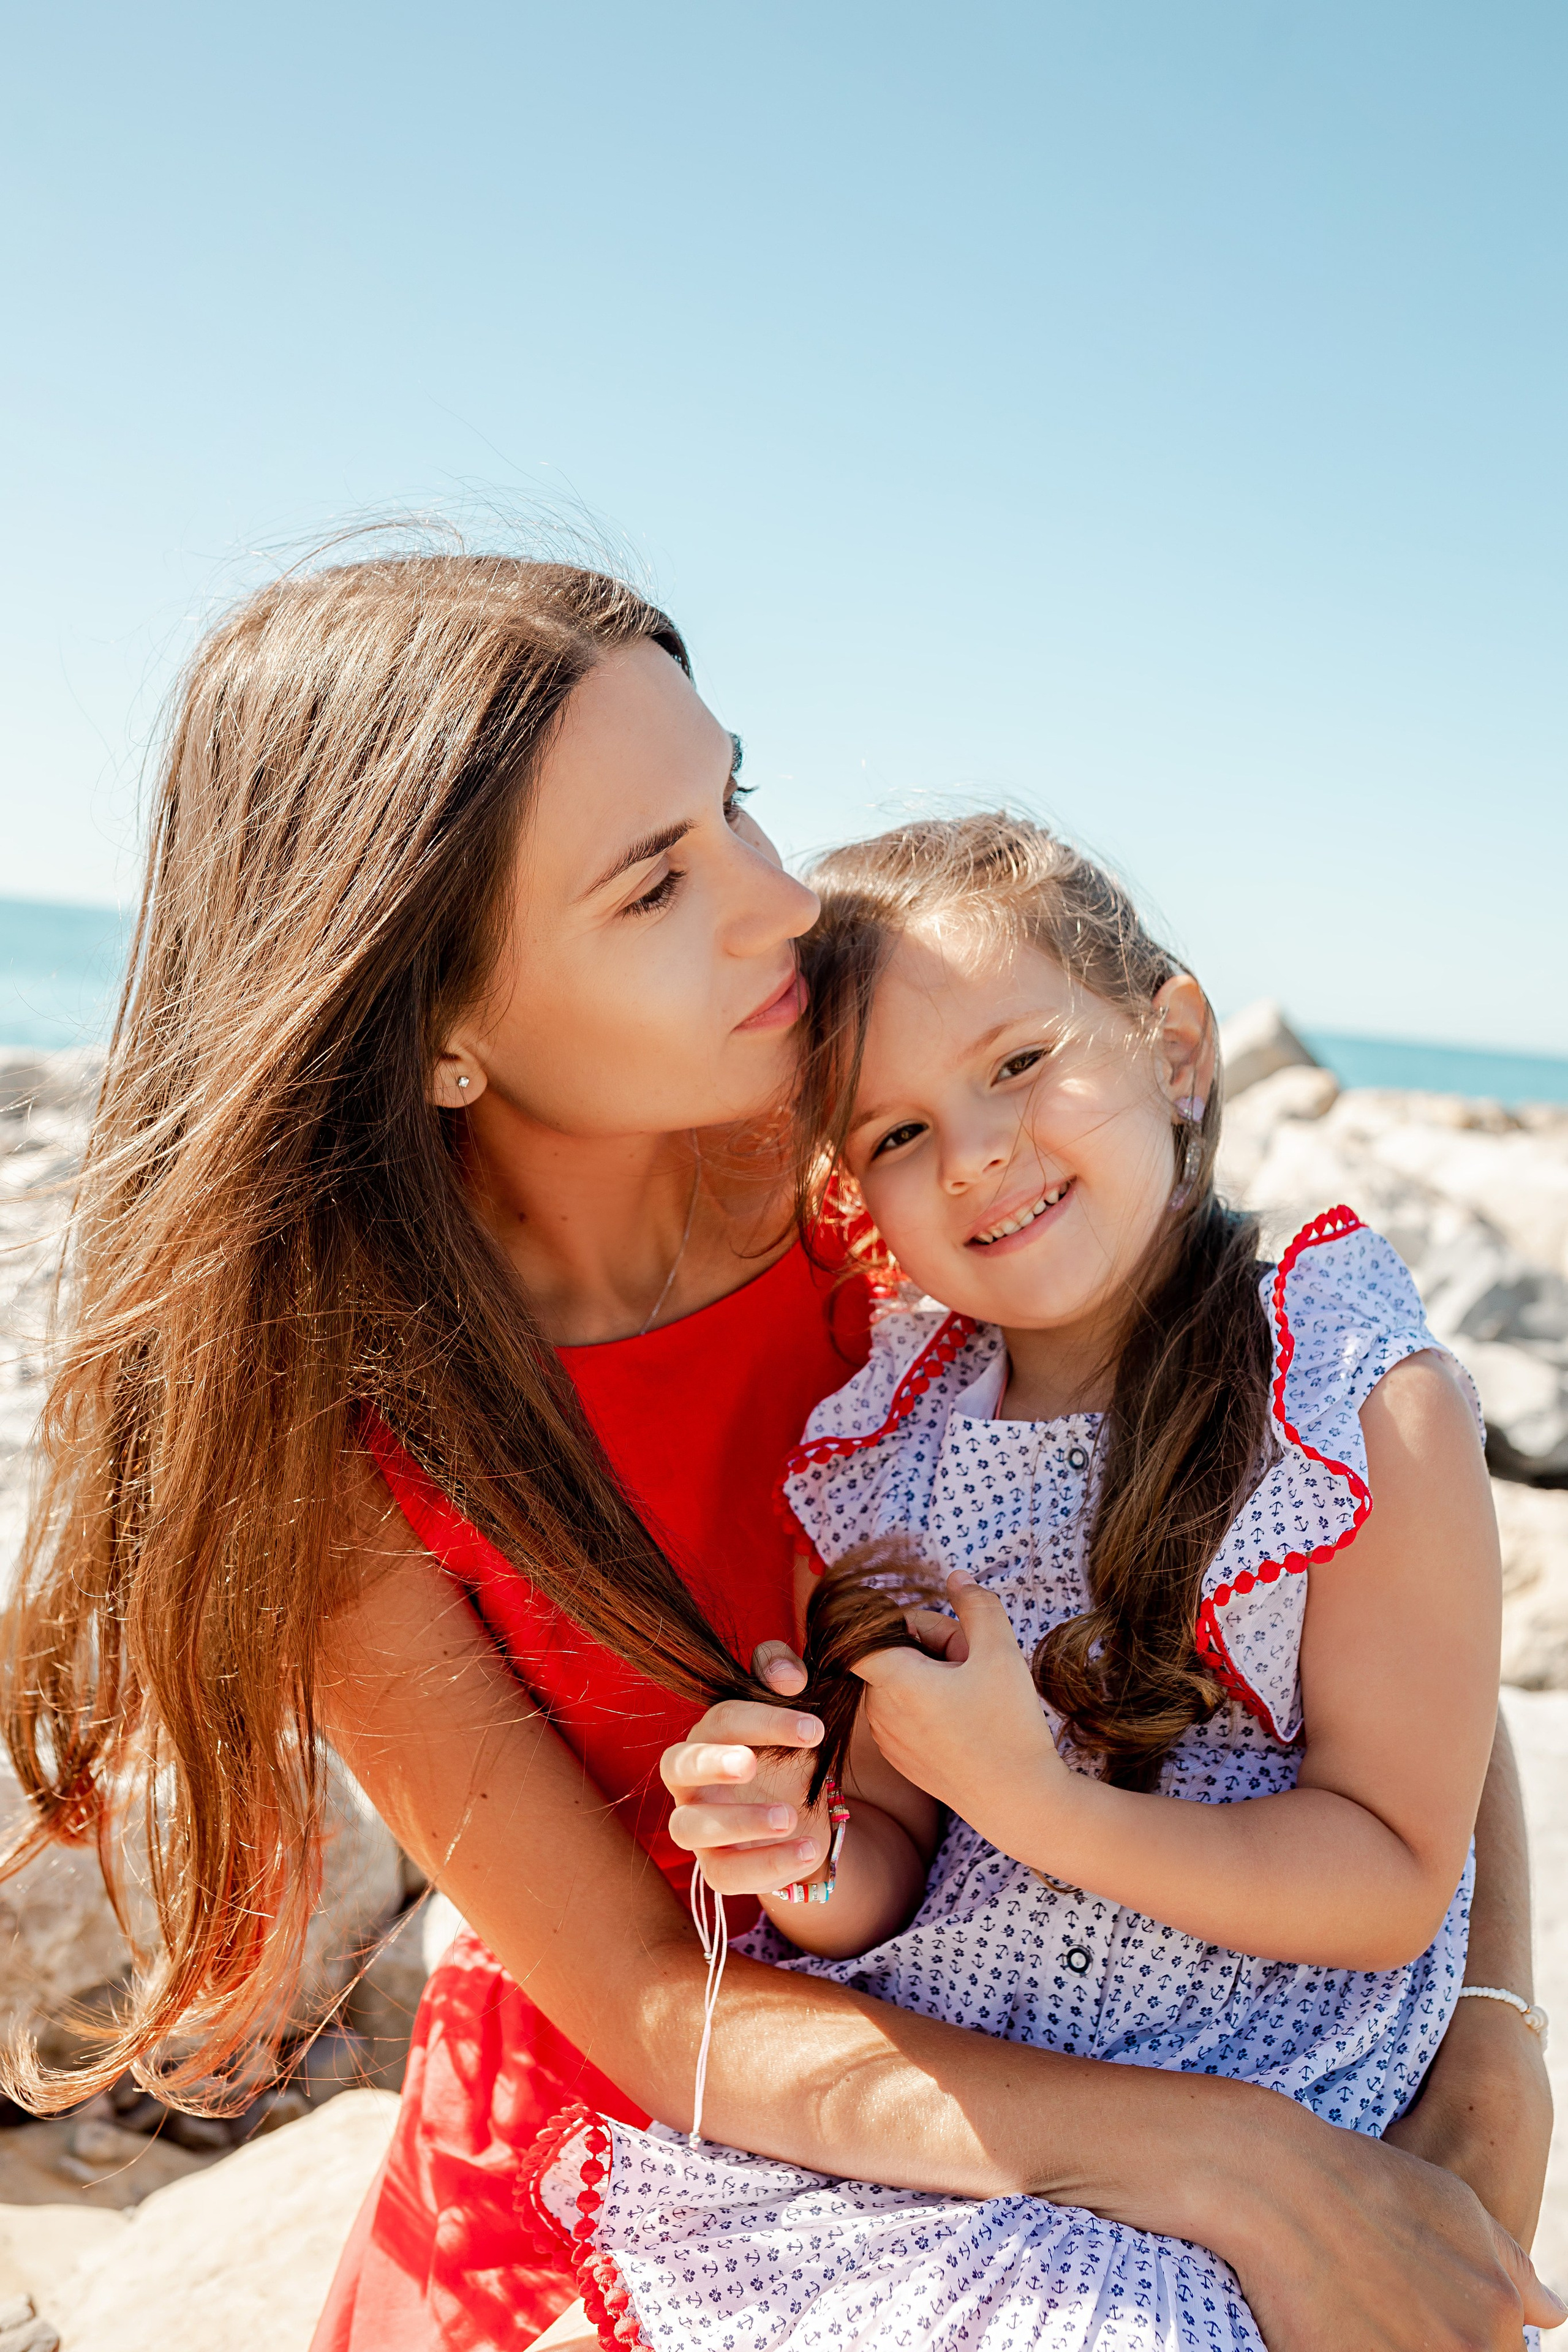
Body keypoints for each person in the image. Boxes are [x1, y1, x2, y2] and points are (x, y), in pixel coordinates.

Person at [0, 553, 1552, 2352]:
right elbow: (660, 2005)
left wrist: (1500, 2049)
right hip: (698, 2111)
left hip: (1124, 2015)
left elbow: (1334, 1533)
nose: (791, 904)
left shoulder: (898, 1170)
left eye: (732, 797)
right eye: (660, 880)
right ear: (435, 1025)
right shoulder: (342, 1442)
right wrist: (1241, 2168)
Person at [532, 813, 1552, 2350]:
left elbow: (1394, 1881)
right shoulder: (891, 1444)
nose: (979, 1152)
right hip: (970, 2111)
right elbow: (892, 1844)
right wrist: (797, 1849)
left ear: (1177, 1048)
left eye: (1017, 1062)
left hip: (1257, 2098)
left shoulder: (1349, 1391)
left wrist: (1045, 1806)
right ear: (852, 1196)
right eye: (893, 1133)